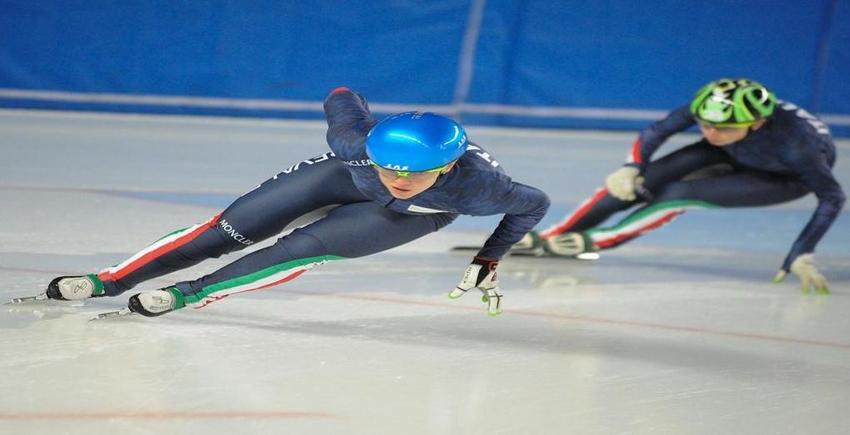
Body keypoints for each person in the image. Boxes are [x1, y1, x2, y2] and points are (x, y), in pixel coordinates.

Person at [37, 87, 550, 317]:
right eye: (389, 167)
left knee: (298, 248)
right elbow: (341, 95)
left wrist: (490, 255)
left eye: (415, 173)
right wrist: (360, 110)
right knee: (226, 231)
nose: (399, 179)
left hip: (409, 219)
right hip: (341, 176)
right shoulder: (353, 142)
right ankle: (111, 280)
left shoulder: (481, 188)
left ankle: (188, 294)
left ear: (446, 168)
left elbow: (533, 204)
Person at [532, 78, 844, 294]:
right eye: (703, 124)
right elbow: (657, 131)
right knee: (640, 181)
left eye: (721, 127)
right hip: (734, 151)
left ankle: (593, 241)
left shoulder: (798, 147)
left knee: (677, 194)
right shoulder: (710, 110)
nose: (709, 132)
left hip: (783, 177)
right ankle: (554, 235)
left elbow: (832, 197)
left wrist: (802, 252)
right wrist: (631, 167)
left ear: (757, 123)